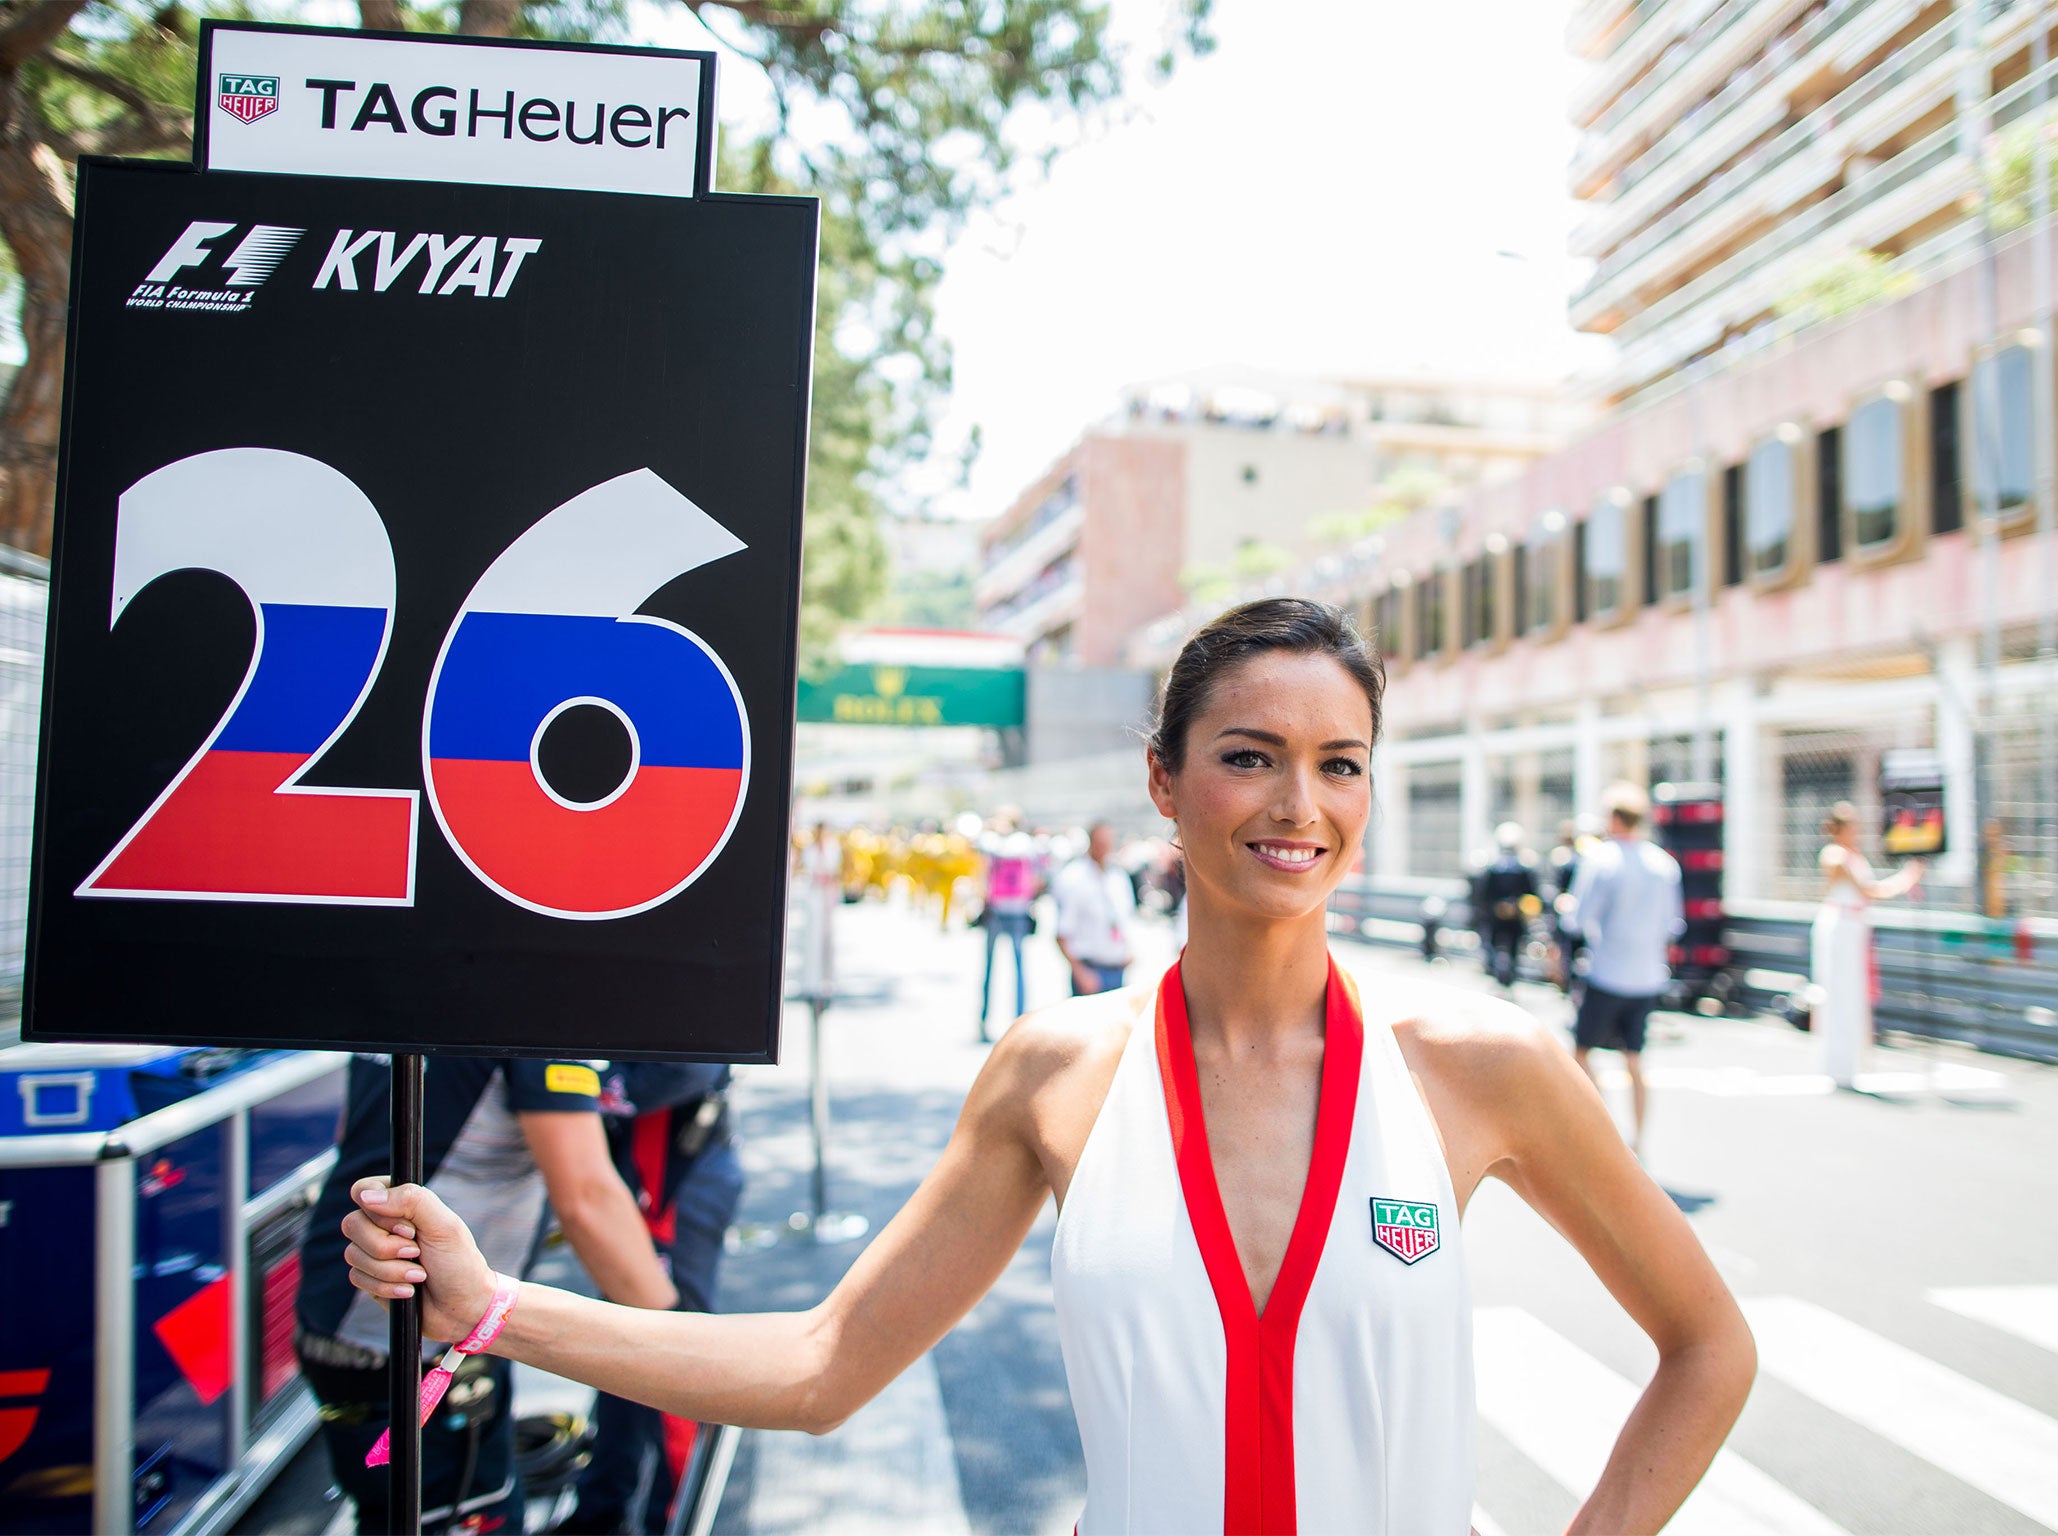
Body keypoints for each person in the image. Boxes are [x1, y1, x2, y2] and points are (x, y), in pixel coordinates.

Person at [340, 598, 1755, 1535]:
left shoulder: (1475, 1068)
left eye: (1341, 764)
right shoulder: (1058, 1072)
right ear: (1162, 779)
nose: (1298, 806)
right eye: (1250, 756)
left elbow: (1706, 1350)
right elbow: (822, 1362)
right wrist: (491, 1308)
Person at [296, 1054, 677, 1534]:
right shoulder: (540, 1007)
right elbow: (586, 1200)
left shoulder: (408, 986)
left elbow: (353, 1135)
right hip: (407, 1325)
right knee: (470, 1512)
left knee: (398, 1511)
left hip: (345, 1290)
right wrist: (678, 1326)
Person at [557, 1062, 743, 1535]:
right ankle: (602, 1507)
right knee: (622, 1346)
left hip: (675, 1175)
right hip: (636, 1169)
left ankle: (673, 1517)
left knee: (677, 1352)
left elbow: (690, 1062)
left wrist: (576, 1086)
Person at [1565, 784, 1684, 1161]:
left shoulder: (1602, 859)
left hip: (1608, 972)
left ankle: (1606, 1132)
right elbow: (1673, 924)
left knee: (1582, 1053)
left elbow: (1577, 919)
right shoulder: (1664, 863)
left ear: (1614, 818)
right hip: (1648, 975)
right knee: (1634, 1058)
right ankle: (1638, 1138)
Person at [1813, 801, 1924, 1090]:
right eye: (1850, 825)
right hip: (1841, 927)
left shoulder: (1854, 855)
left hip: (1856, 927)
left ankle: (1851, 1064)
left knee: (1854, 994)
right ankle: (1836, 1066)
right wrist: (1907, 878)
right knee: (1838, 993)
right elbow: (1871, 890)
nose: (1856, 831)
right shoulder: (1835, 855)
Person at [977, 812, 1041, 1043]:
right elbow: (1038, 877)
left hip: (996, 909)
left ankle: (984, 1020)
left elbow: (983, 870)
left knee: (989, 969)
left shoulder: (994, 843)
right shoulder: (1028, 845)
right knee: (1019, 969)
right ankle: (1020, 1021)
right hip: (1018, 910)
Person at [1052, 821, 1135, 996]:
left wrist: (1129, 950)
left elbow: (1125, 917)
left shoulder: (1117, 876)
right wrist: (1080, 972)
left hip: (1117, 967)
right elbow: (1062, 932)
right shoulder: (1075, 878)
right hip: (1090, 969)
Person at [1477, 821, 1540, 990]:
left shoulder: (1513, 868)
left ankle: (1504, 978)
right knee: (1502, 947)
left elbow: (1531, 894)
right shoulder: (1500, 867)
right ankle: (1503, 977)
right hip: (1503, 916)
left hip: (1512, 916)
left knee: (1507, 947)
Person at [795, 820, 842, 997]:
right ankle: (810, 981)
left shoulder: (833, 849)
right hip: (814, 896)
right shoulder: (810, 850)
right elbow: (806, 872)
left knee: (828, 939)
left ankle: (828, 979)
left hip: (827, 896)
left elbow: (836, 872)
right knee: (812, 938)